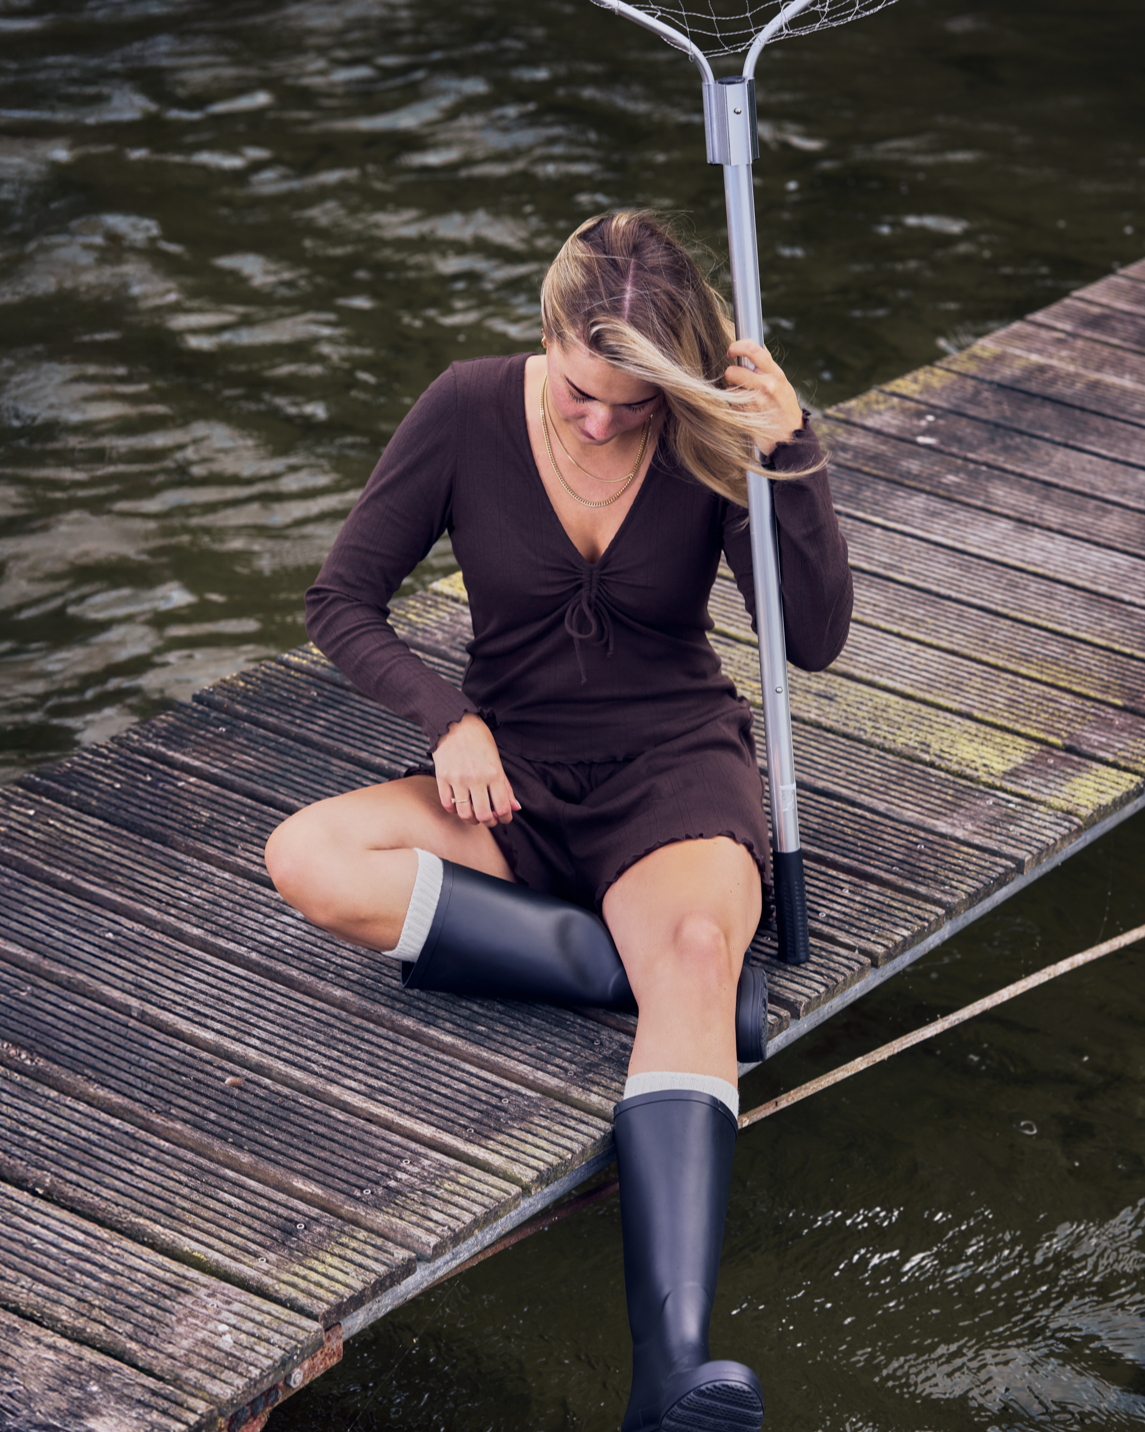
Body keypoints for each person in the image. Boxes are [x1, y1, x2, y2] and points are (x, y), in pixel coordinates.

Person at [265, 210, 852, 1432]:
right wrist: (445, 719)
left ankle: (667, 1373)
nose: (600, 421)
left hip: (671, 775)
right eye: (584, 393)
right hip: (510, 778)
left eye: (631, 403)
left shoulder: (705, 438)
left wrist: (789, 456)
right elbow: (341, 597)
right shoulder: (466, 407)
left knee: (691, 943)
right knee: (307, 855)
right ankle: (650, 983)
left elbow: (811, 640)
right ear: (545, 338)